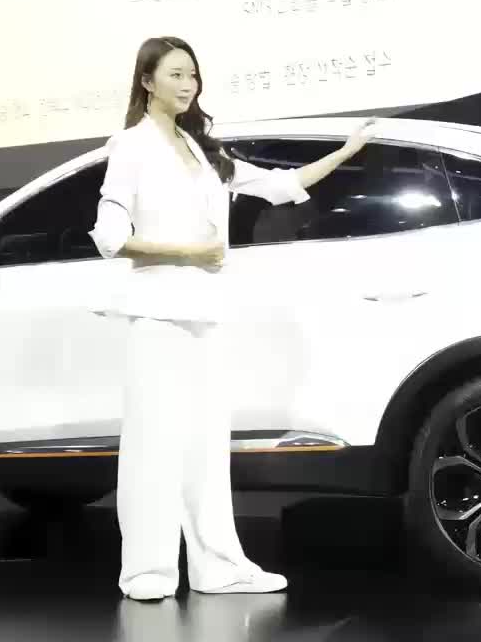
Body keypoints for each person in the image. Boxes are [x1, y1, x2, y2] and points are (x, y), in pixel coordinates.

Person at [88, 36, 377, 600]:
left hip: (204, 311)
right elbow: (110, 237)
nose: (187, 84)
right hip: (157, 312)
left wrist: (346, 152)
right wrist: (190, 253)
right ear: (147, 81)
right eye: (175, 74)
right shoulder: (131, 146)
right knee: (154, 444)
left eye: (192, 74)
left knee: (204, 446)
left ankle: (217, 566)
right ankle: (147, 572)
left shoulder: (200, 150)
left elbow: (277, 185)